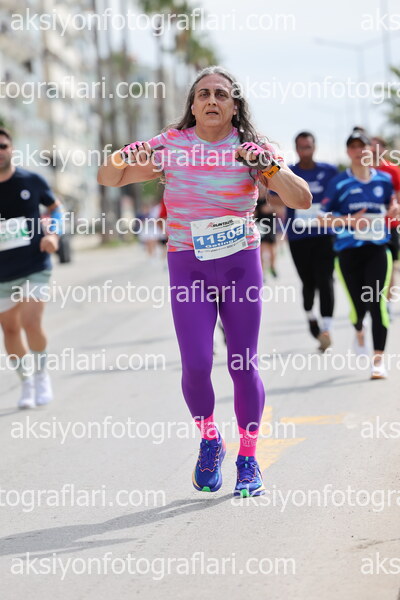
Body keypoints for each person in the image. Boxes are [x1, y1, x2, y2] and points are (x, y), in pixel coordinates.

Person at [98, 66, 311, 496]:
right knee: (196, 363)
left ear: (234, 106)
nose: (212, 100)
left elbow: (301, 199)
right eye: (203, 94)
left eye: (221, 94)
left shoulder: (251, 149)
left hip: (239, 266)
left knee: (242, 363)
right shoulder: (172, 145)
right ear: (193, 106)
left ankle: (248, 459)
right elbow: (109, 177)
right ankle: (210, 439)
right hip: (188, 265)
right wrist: (127, 152)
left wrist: (268, 166)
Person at [319, 130, 399, 379]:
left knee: (377, 304)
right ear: (348, 152)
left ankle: (378, 361)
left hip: (377, 249)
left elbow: (392, 206)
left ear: (369, 150)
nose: (358, 151)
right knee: (358, 308)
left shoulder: (384, 180)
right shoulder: (339, 183)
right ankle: (358, 329)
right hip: (347, 252)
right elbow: (322, 218)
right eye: (353, 147)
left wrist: (394, 210)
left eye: (362, 146)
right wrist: (349, 220)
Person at [0, 128, 63, 407]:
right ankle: (25, 381)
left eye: (3, 145)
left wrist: (54, 235)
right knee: (10, 330)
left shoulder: (31, 180)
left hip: (35, 264)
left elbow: (56, 208)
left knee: (31, 321)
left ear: (11, 149)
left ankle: (41, 375)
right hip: (2, 272)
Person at [286, 132, 338, 352]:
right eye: (301, 147)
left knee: (325, 279)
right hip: (298, 237)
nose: (305, 151)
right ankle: (311, 317)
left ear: (314, 147)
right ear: (296, 149)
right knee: (308, 283)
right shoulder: (288, 172)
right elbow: (273, 196)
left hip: (324, 235)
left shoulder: (329, 171)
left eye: (308, 147)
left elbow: (339, 197)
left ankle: (326, 329)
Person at [370, 136, 400, 318]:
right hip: (369, 228)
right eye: (371, 147)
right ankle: (372, 301)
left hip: (390, 226)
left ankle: (387, 304)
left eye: (377, 147)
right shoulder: (364, 170)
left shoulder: (392, 170)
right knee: (372, 267)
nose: (374, 151)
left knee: (390, 266)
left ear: (384, 149)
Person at [254, 183, 279, 279]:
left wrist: (271, 208)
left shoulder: (270, 198)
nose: (261, 190)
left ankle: (272, 267)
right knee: (260, 249)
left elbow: (279, 209)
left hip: (270, 225)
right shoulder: (254, 199)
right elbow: (251, 214)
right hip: (259, 225)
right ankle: (262, 271)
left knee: (272, 247)